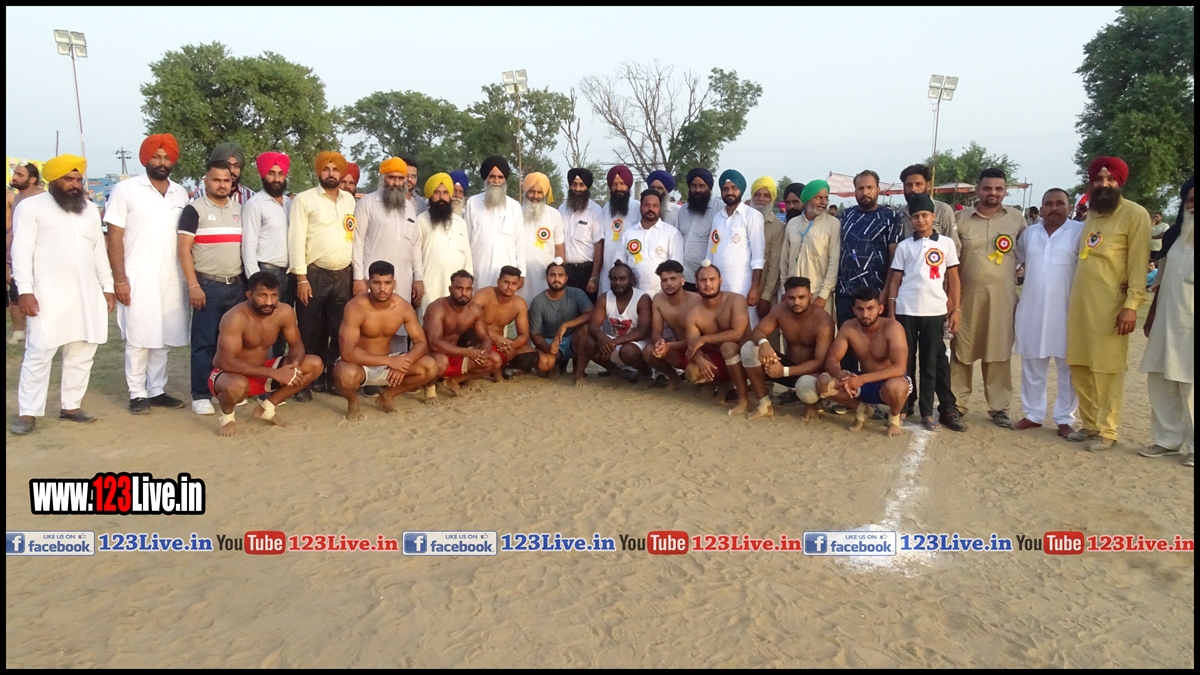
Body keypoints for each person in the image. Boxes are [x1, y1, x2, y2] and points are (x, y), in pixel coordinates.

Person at [9, 155, 114, 435]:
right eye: (68, 179)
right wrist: (25, 291)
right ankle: (28, 413)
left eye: (78, 179)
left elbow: (98, 251)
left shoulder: (89, 210)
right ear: (53, 180)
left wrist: (107, 286)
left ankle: (71, 406)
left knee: (83, 350)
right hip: (46, 294)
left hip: (86, 293)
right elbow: (21, 251)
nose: (75, 185)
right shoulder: (31, 207)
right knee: (39, 352)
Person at [1066, 156, 1152, 452]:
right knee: (1080, 364)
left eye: (1110, 179)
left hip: (1111, 306)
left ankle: (1107, 430)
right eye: (1099, 179)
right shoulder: (1093, 213)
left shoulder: (1134, 214)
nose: (1104, 184)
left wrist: (1131, 305)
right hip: (1080, 303)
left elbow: (1139, 263)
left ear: (1119, 182)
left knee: (1107, 369)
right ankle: (1089, 425)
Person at [104, 134, 191, 414]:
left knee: (164, 335)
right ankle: (137, 393)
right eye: (156, 156)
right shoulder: (126, 190)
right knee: (139, 337)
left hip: (172, 276)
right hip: (137, 275)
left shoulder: (180, 193)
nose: (162, 162)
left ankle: (156, 390)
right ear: (146, 159)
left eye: (166, 157)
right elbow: (114, 238)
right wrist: (119, 279)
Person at [949, 168, 1026, 428]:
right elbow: (950, 260)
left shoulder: (1016, 219)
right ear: (977, 190)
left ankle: (999, 407)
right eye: (987, 188)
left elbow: (1030, 252)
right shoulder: (960, 219)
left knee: (999, 352)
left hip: (1002, 300)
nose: (993, 193)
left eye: (998, 189)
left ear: (1005, 191)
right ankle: (957, 404)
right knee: (961, 352)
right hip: (966, 298)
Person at [884, 193, 964, 431]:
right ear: (910, 219)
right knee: (906, 362)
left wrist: (955, 309)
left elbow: (954, 279)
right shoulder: (904, 246)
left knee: (930, 363)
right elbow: (895, 280)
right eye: (916, 216)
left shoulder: (946, 244)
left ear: (933, 216)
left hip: (934, 311)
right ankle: (905, 406)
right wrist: (891, 312)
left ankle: (927, 411)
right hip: (906, 310)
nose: (920, 220)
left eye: (925, 215)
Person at [208, 272, 323, 436]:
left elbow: (297, 346)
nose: (269, 302)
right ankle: (227, 418)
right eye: (262, 295)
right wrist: (275, 373)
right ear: (249, 295)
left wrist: (294, 366)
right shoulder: (235, 317)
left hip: (261, 370)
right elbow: (226, 362)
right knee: (237, 385)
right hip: (229, 374)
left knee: (314, 364)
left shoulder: (284, 312)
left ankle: (267, 408)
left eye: (273, 295)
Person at [1012, 188, 1083, 436]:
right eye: (1049, 204)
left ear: (1069, 207)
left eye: (1059, 203)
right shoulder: (1030, 234)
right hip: (1033, 309)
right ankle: (1033, 414)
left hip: (1067, 311)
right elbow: (1017, 261)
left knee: (1068, 368)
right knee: (1032, 365)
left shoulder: (1079, 232)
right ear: (1041, 208)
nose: (1054, 208)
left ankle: (1065, 418)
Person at [288, 151, 358, 399]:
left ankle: (332, 379)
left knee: (338, 330)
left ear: (341, 173)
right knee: (310, 330)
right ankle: (303, 383)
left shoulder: (349, 201)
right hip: (314, 275)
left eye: (335, 169)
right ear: (319, 172)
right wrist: (301, 278)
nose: (331, 173)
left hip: (343, 275)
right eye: (326, 169)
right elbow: (296, 239)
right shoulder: (304, 200)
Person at [333, 261, 440, 420]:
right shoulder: (355, 307)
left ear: (394, 284)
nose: (382, 289)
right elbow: (347, 352)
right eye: (377, 283)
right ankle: (353, 402)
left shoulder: (402, 307)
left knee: (430, 366)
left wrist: (405, 362)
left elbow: (421, 342)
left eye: (387, 283)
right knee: (345, 375)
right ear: (368, 283)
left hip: (387, 364)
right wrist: (390, 362)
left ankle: (387, 396)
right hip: (360, 365)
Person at [178, 159, 245, 415]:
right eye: (217, 180)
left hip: (236, 285)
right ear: (206, 181)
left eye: (227, 180)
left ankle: (225, 389)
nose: (222, 185)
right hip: (207, 285)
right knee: (204, 343)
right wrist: (193, 285)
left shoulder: (240, 209)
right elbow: (183, 250)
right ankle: (201, 394)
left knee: (230, 344)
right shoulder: (194, 210)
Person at [1139, 176, 1193, 466]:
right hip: (1166, 319)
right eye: (1191, 200)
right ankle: (1167, 440)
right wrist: (1151, 316)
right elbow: (1159, 282)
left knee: (1191, 384)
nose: (1194, 205)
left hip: (1191, 324)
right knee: (1159, 378)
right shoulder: (1174, 236)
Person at [818, 286, 911, 437]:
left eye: (870, 308)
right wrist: (841, 375)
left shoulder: (892, 327)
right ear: (854, 310)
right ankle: (862, 410)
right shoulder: (849, 327)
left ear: (880, 309)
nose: (865, 314)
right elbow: (831, 360)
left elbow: (900, 368)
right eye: (860, 309)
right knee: (823, 382)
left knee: (897, 386)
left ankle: (894, 418)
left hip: (889, 381)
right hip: (863, 381)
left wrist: (862, 379)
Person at [352, 157, 425, 350]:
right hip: (374, 280)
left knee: (400, 329)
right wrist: (358, 278)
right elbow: (357, 241)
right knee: (371, 329)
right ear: (382, 178)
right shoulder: (367, 203)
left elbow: (415, 245)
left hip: (402, 279)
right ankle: (370, 366)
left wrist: (418, 278)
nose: (396, 183)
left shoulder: (409, 208)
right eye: (392, 177)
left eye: (400, 178)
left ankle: (398, 367)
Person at [739, 276, 834, 421]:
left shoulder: (823, 321)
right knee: (749, 348)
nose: (796, 302)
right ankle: (765, 404)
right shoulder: (780, 310)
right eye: (791, 298)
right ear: (785, 297)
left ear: (810, 296)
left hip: (811, 373)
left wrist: (783, 371)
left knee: (805, 387)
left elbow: (820, 362)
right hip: (787, 367)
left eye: (801, 297)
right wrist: (764, 343)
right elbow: (758, 331)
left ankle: (812, 404)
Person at [836, 171, 902, 368]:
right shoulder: (844, 217)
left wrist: (886, 292)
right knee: (847, 348)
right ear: (855, 190)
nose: (865, 192)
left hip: (876, 295)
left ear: (878, 189)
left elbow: (894, 259)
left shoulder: (891, 217)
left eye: (869, 187)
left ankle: (874, 384)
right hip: (846, 293)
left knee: (876, 349)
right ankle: (849, 386)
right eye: (861, 188)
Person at [681, 262, 752, 415]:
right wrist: (700, 359)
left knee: (728, 347)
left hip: (746, 358)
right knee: (692, 372)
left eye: (712, 279)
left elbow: (738, 333)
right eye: (703, 280)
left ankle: (743, 399)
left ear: (720, 281)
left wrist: (705, 339)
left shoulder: (736, 300)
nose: (708, 284)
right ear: (696, 284)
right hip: (720, 360)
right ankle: (723, 385)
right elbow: (693, 344)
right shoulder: (693, 313)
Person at [422, 269, 503, 398]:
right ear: (450, 289)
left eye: (468, 289)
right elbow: (433, 343)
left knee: (494, 360)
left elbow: (485, 338)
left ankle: (454, 380)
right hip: (434, 355)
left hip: (456, 353)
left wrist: (483, 353)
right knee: (442, 360)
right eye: (459, 288)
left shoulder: (475, 310)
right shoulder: (437, 308)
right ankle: (429, 386)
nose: (464, 293)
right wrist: (468, 353)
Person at [578, 261, 652, 384]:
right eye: (614, 279)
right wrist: (602, 337)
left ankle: (645, 372)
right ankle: (614, 370)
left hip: (638, 345)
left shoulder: (642, 299)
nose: (618, 282)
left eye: (622, 279)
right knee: (589, 342)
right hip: (616, 342)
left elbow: (642, 332)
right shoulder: (604, 298)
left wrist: (614, 342)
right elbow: (593, 326)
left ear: (631, 279)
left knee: (628, 351)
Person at [709, 170, 765, 327]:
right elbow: (711, 250)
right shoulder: (718, 217)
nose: (730, 192)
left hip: (742, 284)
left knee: (745, 324)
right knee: (721, 322)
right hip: (718, 284)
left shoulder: (752, 215)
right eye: (725, 189)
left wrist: (754, 287)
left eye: (734, 188)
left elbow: (758, 256)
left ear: (741, 190)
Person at [464, 156, 525, 291]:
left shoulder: (514, 206)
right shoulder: (472, 203)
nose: (496, 181)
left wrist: (521, 273)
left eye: (500, 177)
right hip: (478, 271)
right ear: (486, 179)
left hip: (507, 275)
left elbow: (520, 243)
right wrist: (466, 272)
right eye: (492, 177)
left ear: (505, 180)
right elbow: (466, 241)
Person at [417, 173, 472, 314]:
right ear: (430, 195)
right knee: (430, 321)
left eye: (445, 193)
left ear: (450, 195)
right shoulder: (421, 221)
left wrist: (468, 281)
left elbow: (467, 255)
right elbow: (415, 256)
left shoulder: (460, 222)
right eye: (437, 193)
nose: (441, 197)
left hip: (457, 289)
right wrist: (417, 281)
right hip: (430, 287)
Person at [780, 179, 839, 310]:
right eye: (818, 198)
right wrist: (785, 290)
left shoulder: (833, 224)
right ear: (807, 199)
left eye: (826, 198)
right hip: (793, 294)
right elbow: (784, 260)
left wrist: (823, 295)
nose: (823, 202)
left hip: (818, 293)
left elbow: (834, 263)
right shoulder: (793, 223)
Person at [642, 259, 701, 389]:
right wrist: (659, 343)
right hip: (679, 351)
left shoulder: (696, 300)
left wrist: (670, 346)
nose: (668, 283)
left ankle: (714, 384)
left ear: (682, 280)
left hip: (699, 351)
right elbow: (657, 332)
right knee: (649, 351)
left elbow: (700, 338)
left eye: (673, 279)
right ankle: (674, 377)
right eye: (664, 280)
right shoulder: (658, 300)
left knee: (693, 372)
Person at [528, 261, 594, 378]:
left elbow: (590, 313)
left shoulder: (577, 293)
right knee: (544, 366)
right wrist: (547, 348)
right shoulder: (538, 302)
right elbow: (535, 334)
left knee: (587, 329)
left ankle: (578, 370)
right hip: (551, 341)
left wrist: (566, 325)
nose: (556, 279)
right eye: (552, 275)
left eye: (561, 275)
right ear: (546, 277)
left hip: (573, 339)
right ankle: (556, 362)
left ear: (566, 278)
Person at [471, 265, 539, 372]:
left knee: (533, 355)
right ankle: (492, 367)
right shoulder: (484, 294)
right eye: (506, 282)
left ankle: (499, 366)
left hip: (500, 346)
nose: (509, 287)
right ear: (498, 281)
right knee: (490, 354)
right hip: (476, 341)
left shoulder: (519, 303)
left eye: (514, 284)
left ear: (518, 285)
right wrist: (496, 338)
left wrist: (510, 345)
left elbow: (524, 335)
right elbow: (469, 322)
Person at [619, 190, 684, 295]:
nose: (651, 209)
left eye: (655, 205)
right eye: (646, 205)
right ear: (640, 207)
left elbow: (676, 268)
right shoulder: (628, 233)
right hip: (633, 295)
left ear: (660, 208)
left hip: (662, 295)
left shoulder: (672, 233)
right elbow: (620, 262)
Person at [241, 152, 292, 286]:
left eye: (280, 174)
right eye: (271, 173)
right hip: (265, 271)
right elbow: (248, 247)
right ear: (263, 175)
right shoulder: (255, 204)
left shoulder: (289, 203)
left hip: (288, 274)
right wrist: (255, 281)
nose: (276, 179)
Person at [7, 162, 43, 345]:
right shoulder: (17, 197)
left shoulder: (42, 199)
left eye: (20, 175)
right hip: (16, 253)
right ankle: (19, 333)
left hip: (39, 256)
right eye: (15, 174)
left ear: (33, 179)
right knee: (16, 292)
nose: (14, 177)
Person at [518, 172, 565, 305]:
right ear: (526, 191)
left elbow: (559, 247)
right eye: (531, 191)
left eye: (539, 192)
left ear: (545, 193)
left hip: (545, 274)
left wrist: (560, 273)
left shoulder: (554, 215)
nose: (535, 196)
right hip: (521, 273)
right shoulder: (517, 212)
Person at [558, 167, 605, 300]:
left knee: (587, 309)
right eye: (574, 184)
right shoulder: (562, 209)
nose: (577, 189)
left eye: (581, 185)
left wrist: (594, 277)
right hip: (566, 271)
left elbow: (599, 246)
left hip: (586, 272)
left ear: (587, 187)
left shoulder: (595, 211)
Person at [748, 176, 786, 320]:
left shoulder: (777, 227)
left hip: (764, 293)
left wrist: (766, 296)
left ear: (772, 199)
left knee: (764, 331)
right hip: (741, 288)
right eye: (757, 195)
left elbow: (774, 265)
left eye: (766, 195)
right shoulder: (742, 221)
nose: (761, 199)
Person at [599, 165, 640, 293]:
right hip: (607, 266)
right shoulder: (606, 208)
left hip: (630, 265)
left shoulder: (637, 207)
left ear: (628, 185)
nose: (618, 188)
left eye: (622, 183)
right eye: (614, 184)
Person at [677, 168, 719, 291]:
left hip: (707, 280)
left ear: (709, 187)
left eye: (702, 186)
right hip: (685, 276)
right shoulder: (683, 210)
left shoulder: (720, 209)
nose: (697, 190)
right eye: (693, 186)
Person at [899, 163, 957, 238]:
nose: (913, 189)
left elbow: (953, 242)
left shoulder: (943, 211)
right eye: (909, 185)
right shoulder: (899, 215)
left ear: (928, 186)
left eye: (918, 184)